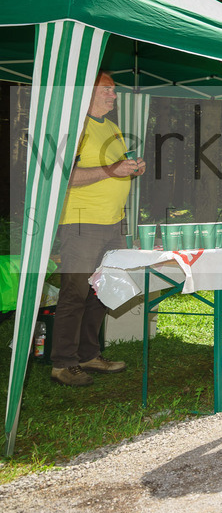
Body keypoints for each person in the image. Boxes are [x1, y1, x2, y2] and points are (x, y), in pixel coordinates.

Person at [51, 71, 145, 386]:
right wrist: (111, 170)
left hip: (112, 222)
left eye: (114, 90)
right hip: (80, 221)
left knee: (101, 290)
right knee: (75, 291)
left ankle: (89, 355)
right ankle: (63, 363)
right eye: (107, 89)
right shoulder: (76, 127)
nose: (113, 95)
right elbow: (66, 177)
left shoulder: (114, 128)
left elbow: (115, 169)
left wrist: (131, 168)